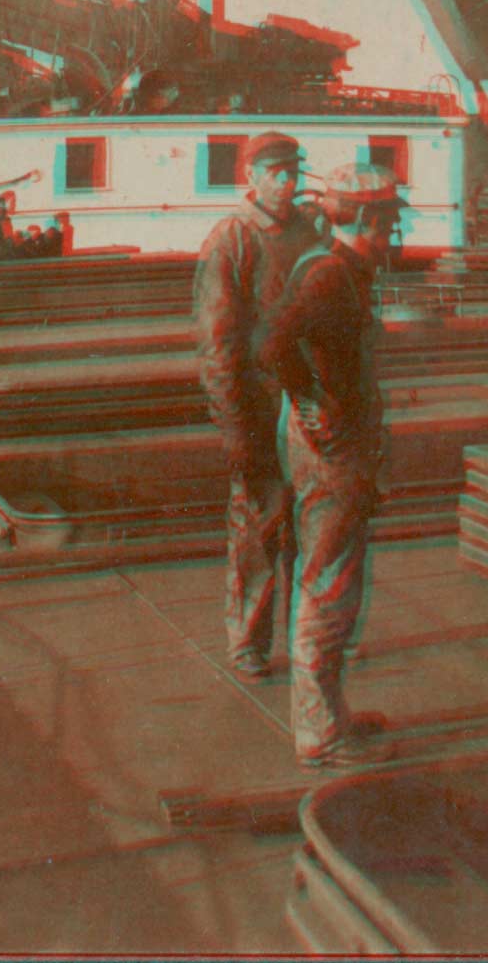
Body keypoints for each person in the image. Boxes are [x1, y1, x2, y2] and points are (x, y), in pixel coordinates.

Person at [259, 163, 402, 770]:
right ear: (367, 219)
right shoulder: (330, 279)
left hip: (333, 446)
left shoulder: (340, 271)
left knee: (334, 578)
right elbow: (271, 346)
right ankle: (318, 734)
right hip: (333, 454)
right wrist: (315, 404)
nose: (392, 236)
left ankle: (330, 714)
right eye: (389, 225)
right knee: (329, 583)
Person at [191, 132, 320, 683]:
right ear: (251, 177)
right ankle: (247, 644)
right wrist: (237, 430)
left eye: (292, 171)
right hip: (261, 409)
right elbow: (217, 347)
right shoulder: (231, 241)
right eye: (274, 172)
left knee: (311, 523)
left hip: (310, 406)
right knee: (259, 527)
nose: (286, 182)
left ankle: (308, 639)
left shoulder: (311, 232)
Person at [0, 191, 35, 262]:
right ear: (3, 203)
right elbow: (8, 241)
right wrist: (21, 236)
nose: (14, 205)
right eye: (13, 202)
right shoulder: (2, 219)